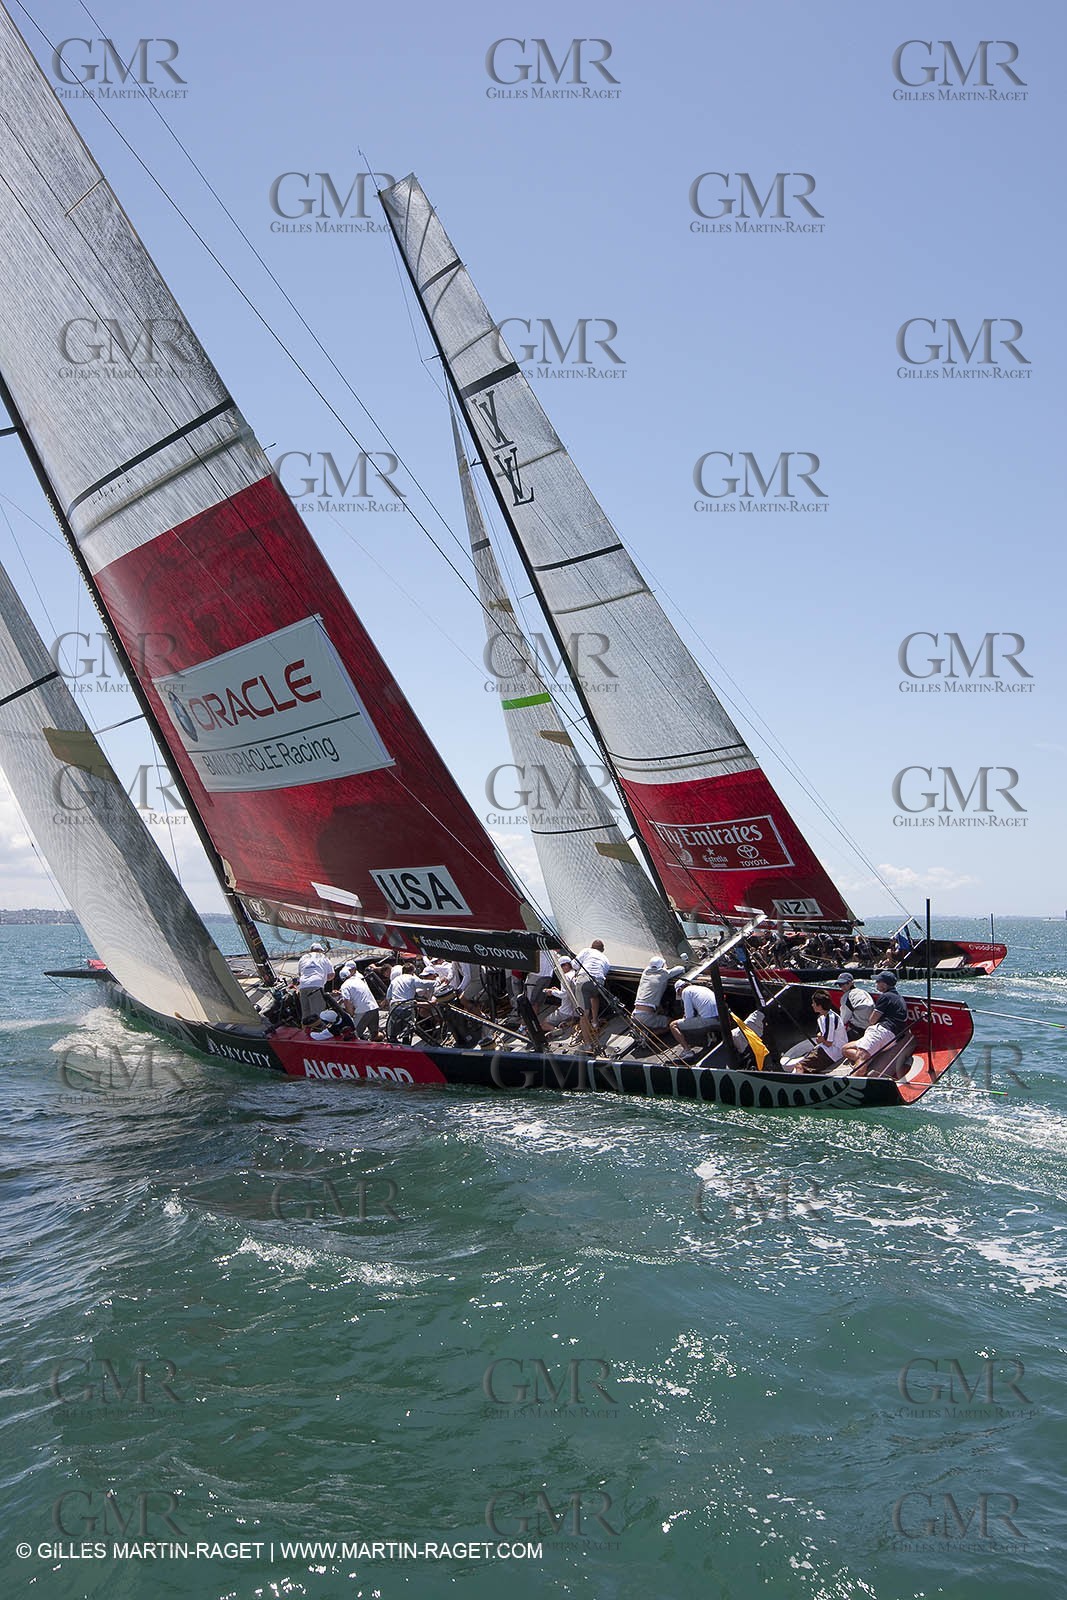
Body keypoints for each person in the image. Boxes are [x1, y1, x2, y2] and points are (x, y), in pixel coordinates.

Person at [840, 973, 910, 1074]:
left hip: (882, 1031)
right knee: (845, 1049)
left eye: (878, 981)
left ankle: (857, 1076)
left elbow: (872, 1020)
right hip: (892, 1036)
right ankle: (868, 1057)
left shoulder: (885, 997)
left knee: (861, 1056)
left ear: (884, 985)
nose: (875, 983)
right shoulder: (898, 998)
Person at [781, 990, 848, 1073]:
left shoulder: (831, 1018)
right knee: (803, 1063)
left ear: (819, 1006)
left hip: (833, 1052)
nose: (812, 1005)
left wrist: (821, 1039)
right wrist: (821, 1038)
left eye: (814, 1003)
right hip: (825, 1048)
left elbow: (828, 1042)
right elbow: (820, 1035)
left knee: (800, 1066)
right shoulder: (821, 1018)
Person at [573, 940, 611, 1049]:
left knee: (583, 1013)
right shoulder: (606, 959)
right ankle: (595, 1022)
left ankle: (587, 1044)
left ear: (591, 946)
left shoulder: (586, 951)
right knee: (594, 996)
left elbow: (574, 965)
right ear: (602, 950)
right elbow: (605, 971)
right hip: (599, 982)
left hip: (584, 981)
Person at [632, 956, 685, 1031]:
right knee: (672, 1022)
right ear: (662, 966)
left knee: (661, 1011)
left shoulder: (645, 973)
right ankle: (651, 1034)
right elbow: (681, 968)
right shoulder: (663, 974)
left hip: (635, 1014)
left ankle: (646, 1030)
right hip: (645, 1017)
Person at [669, 978, 720, 1057]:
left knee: (673, 1025)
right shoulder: (702, 988)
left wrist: (683, 1019)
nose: (680, 996)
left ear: (680, 989)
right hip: (720, 1019)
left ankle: (687, 1051)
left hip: (709, 1020)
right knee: (700, 1015)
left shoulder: (685, 992)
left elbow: (689, 1016)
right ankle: (711, 1038)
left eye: (679, 993)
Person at [339, 966, 381, 1040]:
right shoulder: (358, 980)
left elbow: (347, 1002)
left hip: (363, 1011)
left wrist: (352, 1014)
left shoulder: (344, 986)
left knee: (353, 1035)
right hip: (374, 1007)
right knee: (375, 1035)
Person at [297, 942, 334, 1026]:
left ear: (311, 950)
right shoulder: (323, 957)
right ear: (320, 950)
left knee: (306, 1013)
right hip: (316, 986)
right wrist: (323, 979)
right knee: (318, 1013)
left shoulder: (303, 958)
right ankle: (318, 1033)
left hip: (303, 986)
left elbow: (300, 974)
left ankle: (305, 1033)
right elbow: (331, 975)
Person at [836, 973, 874, 1037]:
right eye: (840, 985)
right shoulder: (863, 992)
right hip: (870, 1028)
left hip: (858, 1030)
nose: (843, 987)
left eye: (846, 983)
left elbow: (844, 1019)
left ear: (852, 983)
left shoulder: (846, 997)